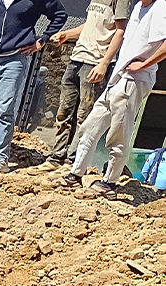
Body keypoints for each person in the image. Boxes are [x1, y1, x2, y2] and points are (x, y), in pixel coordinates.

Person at [59, 0, 166, 196]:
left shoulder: (161, 7)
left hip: (134, 80)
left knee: (118, 133)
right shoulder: (138, 7)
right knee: (89, 127)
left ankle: (110, 183)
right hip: (118, 77)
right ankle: (75, 175)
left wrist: (144, 64)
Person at [0, 0, 68, 173]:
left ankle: (0, 160)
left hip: (13, 61)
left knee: (4, 110)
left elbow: (60, 15)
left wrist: (41, 40)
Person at [38, 0, 132, 171]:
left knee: (84, 116)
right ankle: (57, 156)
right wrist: (67, 34)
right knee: (64, 111)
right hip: (77, 58)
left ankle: (72, 161)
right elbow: (90, 24)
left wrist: (104, 63)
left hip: (95, 62)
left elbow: (120, 31)